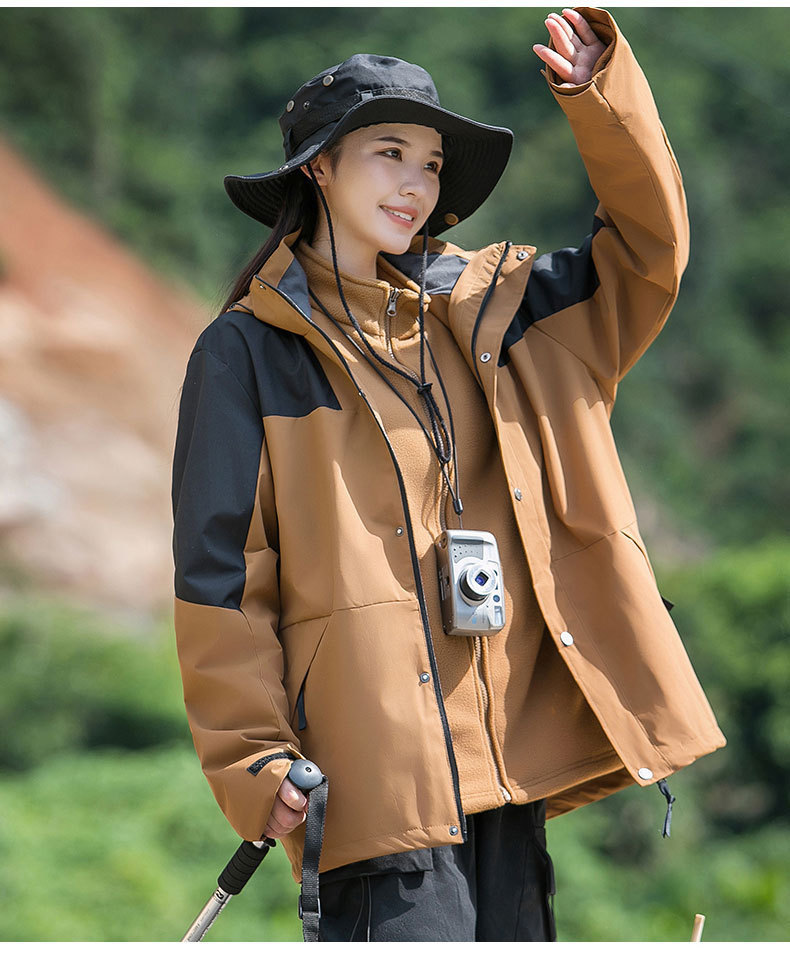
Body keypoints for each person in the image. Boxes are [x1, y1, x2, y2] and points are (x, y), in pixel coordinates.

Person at [171, 6, 725, 942]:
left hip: (511, 777)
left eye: (430, 164)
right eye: (388, 153)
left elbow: (647, 257)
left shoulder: (500, 313)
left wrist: (604, 101)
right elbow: (222, 578)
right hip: (373, 779)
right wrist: (252, 757)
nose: (415, 184)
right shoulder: (246, 354)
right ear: (318, 167)